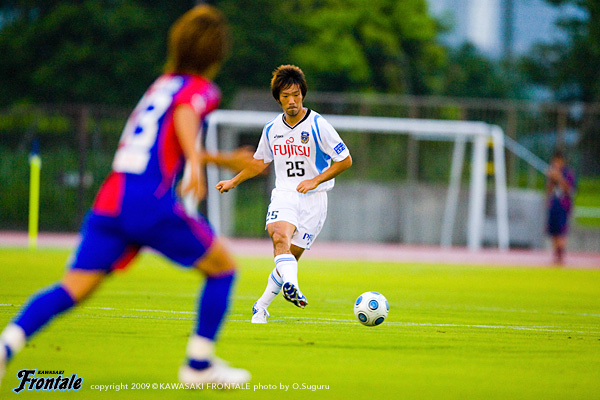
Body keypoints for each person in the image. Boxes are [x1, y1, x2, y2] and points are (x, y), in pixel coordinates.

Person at [0, 5, 251, 388]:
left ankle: (5, 348)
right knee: (222, 267)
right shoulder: (198, 89)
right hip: (147, 201)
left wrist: (215, 159)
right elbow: (186, 116)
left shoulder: (161, 84)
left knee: (74, 287)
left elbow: (166, 136)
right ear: (216, 53)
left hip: (112, 199)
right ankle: (198, 367)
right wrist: (198, 169)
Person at [216, 64, 352, 324]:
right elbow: (259, 162)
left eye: (297, 95)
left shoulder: (318, 125)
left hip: (315, 200)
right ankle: (293, 287)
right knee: (280, 237)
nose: (292, 101)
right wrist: (233, 181)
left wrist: (315, 180)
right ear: (278, 97)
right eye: (287, 96)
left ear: (303, 94)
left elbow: (344, 160)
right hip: (285, 194)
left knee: (290, 257)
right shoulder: (271, 129)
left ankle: (261, 306)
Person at [546, 150, 576, 265]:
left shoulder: (568, 173)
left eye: (558, 161)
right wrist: (551, 180)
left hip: (563, 205)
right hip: (554, 204)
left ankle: (561, 256)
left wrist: (559, 178)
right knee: (553, 231)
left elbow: (570, 190)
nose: (556, 163)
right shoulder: (552, 172)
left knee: (561, 230)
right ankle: (556, 255)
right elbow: (549, 190)